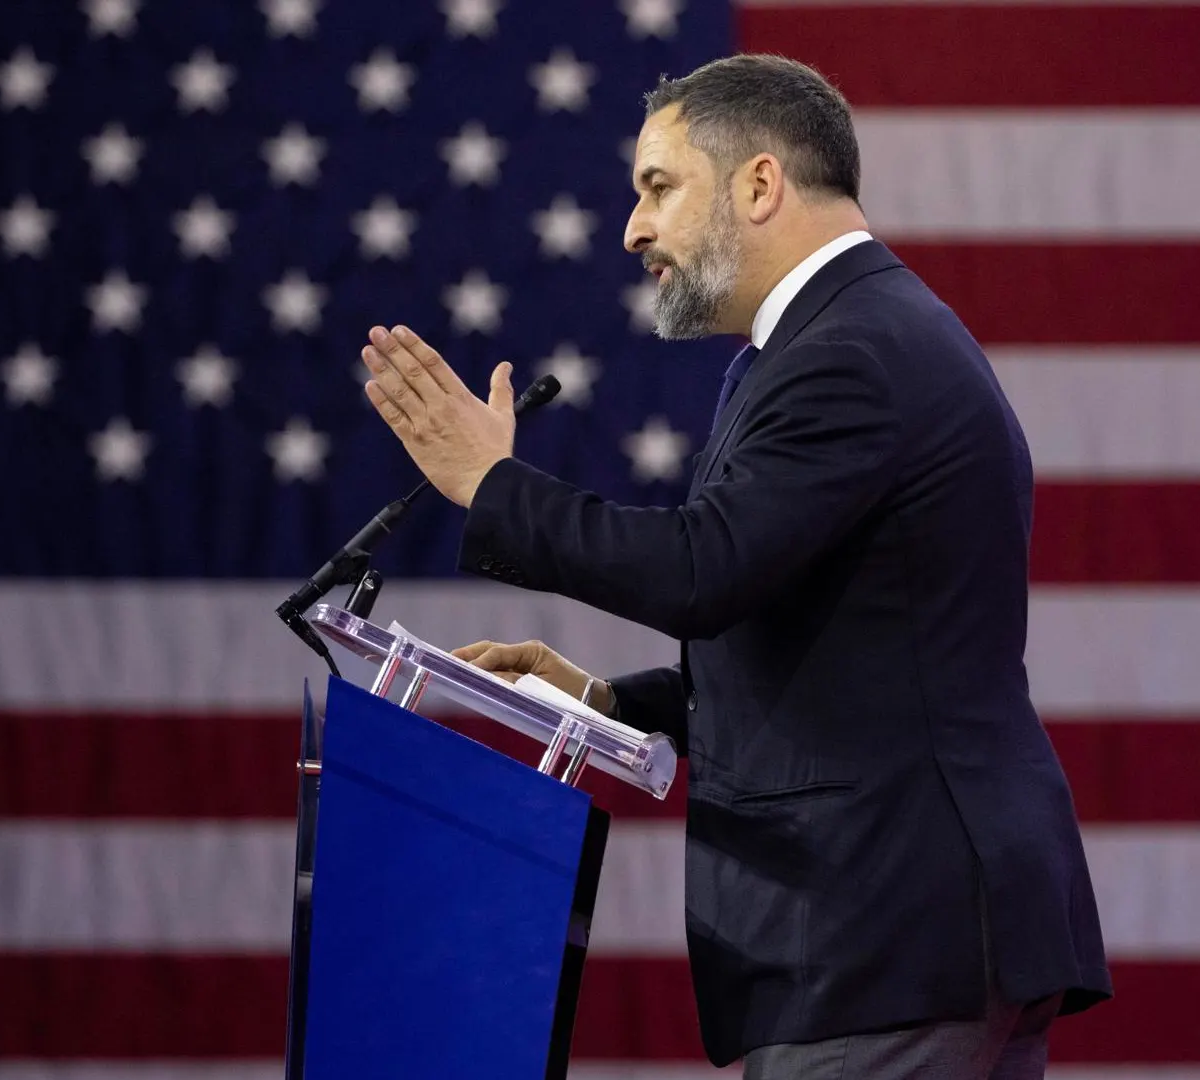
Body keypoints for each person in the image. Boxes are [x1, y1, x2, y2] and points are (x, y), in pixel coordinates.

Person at [357, 53, 1111, 1080]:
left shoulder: (853, 351)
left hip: (883, 935)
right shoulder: (813, 347)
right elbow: (838, 643)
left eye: (657, 188)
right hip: (907, 934)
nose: (632, 229)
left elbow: (702, 569)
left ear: (759, 184)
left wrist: (492, 485)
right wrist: (609, 699)